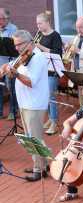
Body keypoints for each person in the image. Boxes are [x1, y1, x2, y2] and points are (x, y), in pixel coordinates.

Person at [0, 29, 49, 181]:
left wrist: (16, 74)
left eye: (19, 44)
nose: (17, 48)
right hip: (25, 102)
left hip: (34, 103)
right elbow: (11, 68)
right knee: (31, 136)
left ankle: (38, 170)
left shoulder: (38, 58)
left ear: (29, 42)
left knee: (34, 138)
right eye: (15, 45)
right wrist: (5, 69)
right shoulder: (24, 57)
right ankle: (43, 165)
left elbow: (31, 82)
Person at [36, 11, 63, 135]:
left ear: (47, 22)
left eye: (40, 23)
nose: (38, 26)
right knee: (44, 96)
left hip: (52, 71)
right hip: (41, 70)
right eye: (37, 24)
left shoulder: (55, 35)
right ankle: (50, 119)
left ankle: (54, 122)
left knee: (51, 97)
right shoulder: (39, 34)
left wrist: (40, 47)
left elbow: (57, 53)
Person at [0, 8, 17, 120]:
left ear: (7, 18)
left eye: (1, 18)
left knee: (12, 89)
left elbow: (15, 48)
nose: (0, 21)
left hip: (9, 64)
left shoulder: (13, 29)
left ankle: (13, 111)